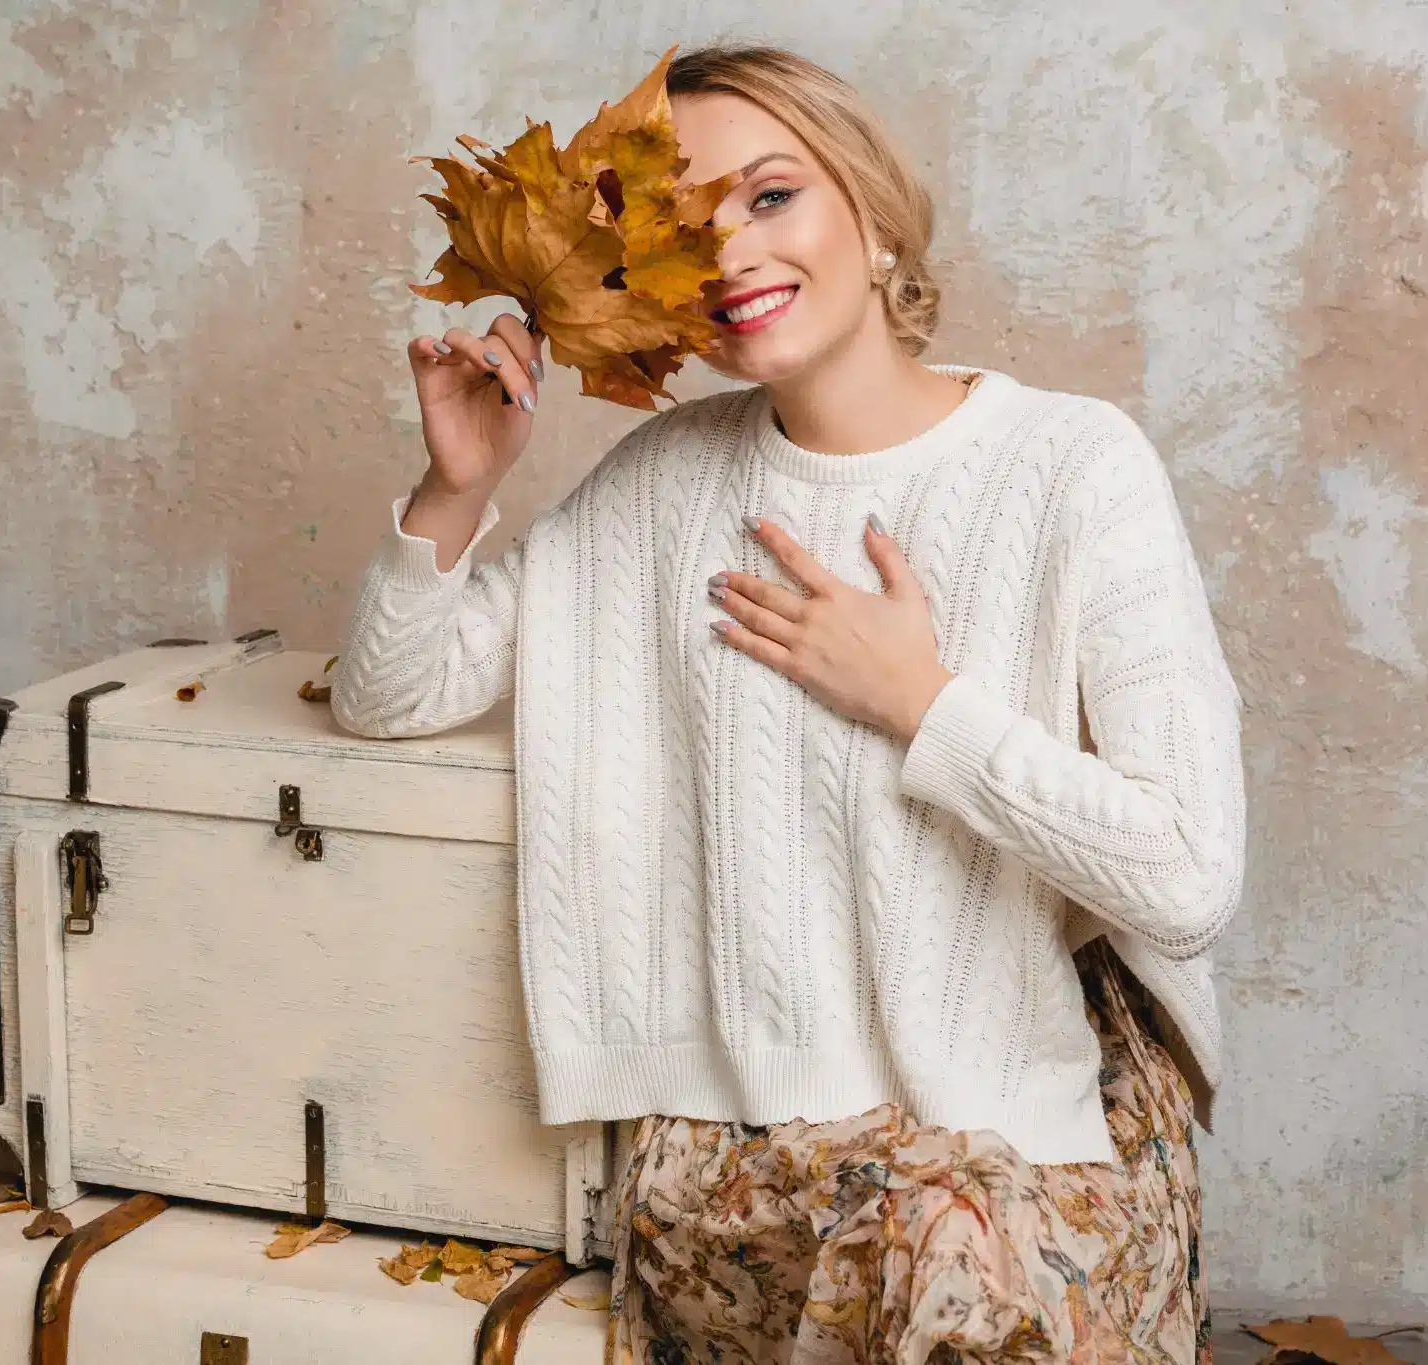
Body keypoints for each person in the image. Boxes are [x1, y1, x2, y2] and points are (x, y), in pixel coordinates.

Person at [330, 43, 1245, 1365]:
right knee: (924, 1252)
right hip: (742, 1155)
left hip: (1012, 1127)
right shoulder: (658, 490)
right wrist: (457, 485)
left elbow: (1187, 879)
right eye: (688, 227)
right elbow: (389, 696)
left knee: (956, 1253)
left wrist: (921, 704)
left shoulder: (1071, 467)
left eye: (770, 196)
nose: (734, 252)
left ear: (868, 213)